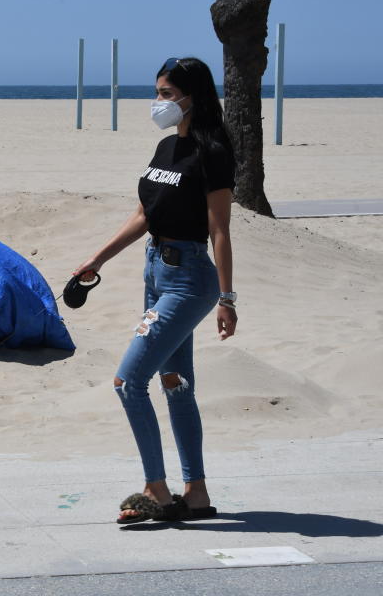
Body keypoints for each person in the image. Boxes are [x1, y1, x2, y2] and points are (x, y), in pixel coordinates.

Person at [73, 56, 238, 524]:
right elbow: (144, 214)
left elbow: (221, 230)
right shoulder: (166, 149)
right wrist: (97, 259)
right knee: (176, 385)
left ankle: (157, 490)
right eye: (159, 93)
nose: (159, 102)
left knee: (128, 382)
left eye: (167, 93)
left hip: (189, 280)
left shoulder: (214, 152)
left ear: (193, 96)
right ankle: (197, 495)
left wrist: (227, 299)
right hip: (155, 274)